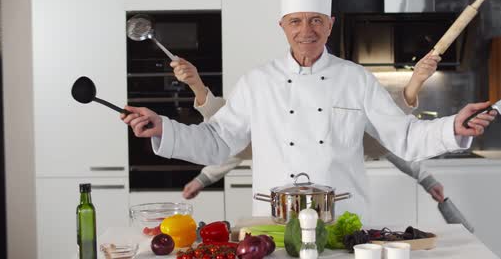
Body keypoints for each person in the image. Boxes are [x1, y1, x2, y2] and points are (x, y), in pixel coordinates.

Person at [121, 0, 496, 223]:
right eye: (296, 21)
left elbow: (404, 138)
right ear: (282, 26)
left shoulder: (355, 78)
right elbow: (218, 143)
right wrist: (164, 127)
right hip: (275, 222)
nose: (306, 31)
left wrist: (453, 127)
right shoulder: (257, 81)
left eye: (316, 20)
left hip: (346, 220)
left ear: (330, 24)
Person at [174, 51, 446, 203]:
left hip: (340, 208)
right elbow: (229, 143)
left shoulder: (352, 100)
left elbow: (398, 140)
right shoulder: (264, 97)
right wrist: (202, 179)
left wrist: (427, 179)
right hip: (279, 213)